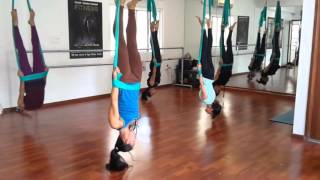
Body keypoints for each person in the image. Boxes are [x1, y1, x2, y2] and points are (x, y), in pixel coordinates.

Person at [107, 0, 142, 171]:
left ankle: (120, 6)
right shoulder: (133, 124)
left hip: (124, 79)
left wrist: (115, 81)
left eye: (133, 142)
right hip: (136, 80)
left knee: (120, 43)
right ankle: (132, 9)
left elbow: (113, 101)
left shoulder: (117, 124)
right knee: (133, 43)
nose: (136, 140)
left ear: (126, 140)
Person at [12, 9, 48, 112]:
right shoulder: (23, 105)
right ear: (22, 108)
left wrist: (46, 73)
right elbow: (21, 91)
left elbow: (43, 87)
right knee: (21, 52)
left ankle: (32, 24)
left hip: (40, 78)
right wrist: (21, 78)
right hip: (28, 79)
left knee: (37, 49)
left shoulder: (40, 105)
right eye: (20, 107)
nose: (19, 106)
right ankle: (15, 25)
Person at [196, 17, 218, 118]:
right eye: (210, 113)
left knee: (208, 49)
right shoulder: (206, 99)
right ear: (211, 109)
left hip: (211, 74)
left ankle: (209, 27)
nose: (207, 113)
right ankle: (203, 27)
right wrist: (199, 70)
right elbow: (202, 84)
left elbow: (207, 86)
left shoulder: (213, 99)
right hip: (205, 74)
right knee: (204, 48)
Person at [213, 22, 237, 95]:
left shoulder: (216, 82)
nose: (217, 89)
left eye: (216, 90)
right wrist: (222, 65)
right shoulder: (222, 83)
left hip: (227, 62)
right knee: (225, 44)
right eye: (218, 90)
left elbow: (219, 73)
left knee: (226, 44)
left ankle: (228, 30)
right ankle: (226, 30)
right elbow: (229, 74)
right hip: (227, 62)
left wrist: (221, 64)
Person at [141, 20, 162, 101]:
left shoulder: (151, 83)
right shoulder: (154, 85)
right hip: (157, 64)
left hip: (155, 65)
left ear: (150, 91)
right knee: (156, 46)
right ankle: (155, 29)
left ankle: (152, 28)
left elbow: (154, 73)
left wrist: (156, 63)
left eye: (152, 94)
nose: (154, 93)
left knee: (155, 46)